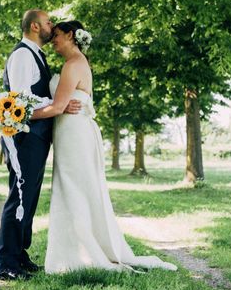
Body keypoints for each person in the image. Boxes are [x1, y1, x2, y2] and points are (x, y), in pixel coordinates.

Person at [32, 21, 177, 273]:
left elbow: (56, 107)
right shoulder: (79, 63)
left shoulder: (73, 65)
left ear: (70, 35)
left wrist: (19, 114)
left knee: (73, 189)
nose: (52, 40)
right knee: (77, 189)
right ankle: (79, 249)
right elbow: (62, 105)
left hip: (73, 134)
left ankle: (78, 254)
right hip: (73, 132)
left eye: (56, 35)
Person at [0, 9, 81, 281]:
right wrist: (58, 107)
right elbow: (20, 100)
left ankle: (20, 254)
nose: (51, 26)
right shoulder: (22, 54)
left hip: (35, 136)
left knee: (29, 197)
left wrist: (58, 107)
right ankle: (5, 263)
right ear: (34, 26)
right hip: (22, 137)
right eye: (47, 23)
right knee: (19, 195)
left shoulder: (36, 55)